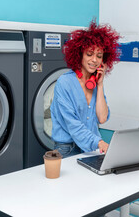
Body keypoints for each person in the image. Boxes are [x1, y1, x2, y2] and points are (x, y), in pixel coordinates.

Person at [51, 20, 120, 158]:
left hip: (91, 149)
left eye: (99, 56)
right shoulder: (64, 83)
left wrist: (100, 85)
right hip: (67, 149)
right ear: (80, 54)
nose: (94, 60)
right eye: (89, 54)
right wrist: (99, 142)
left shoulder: (95, 83)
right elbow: (73, 125)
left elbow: (102, 118)